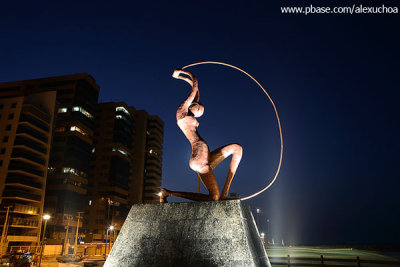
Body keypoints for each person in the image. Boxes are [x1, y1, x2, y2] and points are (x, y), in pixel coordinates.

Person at [160, 69, 243, 202]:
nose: (199, 111)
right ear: (192, 105)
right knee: (213, 198)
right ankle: (168, 193)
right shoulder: (181, 114)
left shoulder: (189, 113)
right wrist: (180, 73)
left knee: (237, 148)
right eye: (198, 109)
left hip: (206, 156)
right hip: (199, 158)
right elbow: (195, 87)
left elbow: (196, 92)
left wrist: (185, 79)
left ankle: (225, 192)